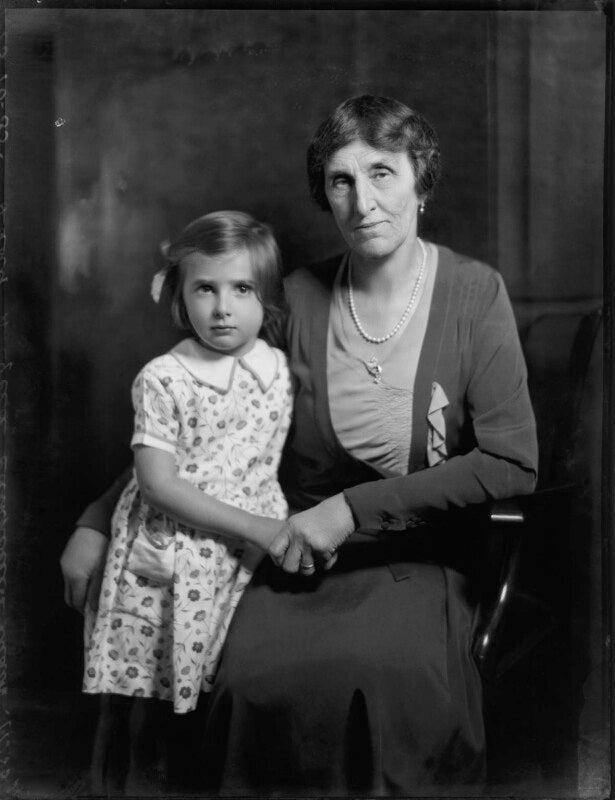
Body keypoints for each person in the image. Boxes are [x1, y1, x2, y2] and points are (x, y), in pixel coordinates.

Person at [61, 95, 537, 796]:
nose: (362, 202)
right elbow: (196, 423)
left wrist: (350, 509)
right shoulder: (297, 298)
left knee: (381, 682)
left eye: (382, 173)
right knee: (246, 683)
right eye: (341, 180)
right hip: (296, 557)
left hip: (417, 559)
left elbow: (511, 461)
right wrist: (98, 519)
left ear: (421, 179)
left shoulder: (474, 294)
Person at [78, 210, 293, 788]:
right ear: (180, 295)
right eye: (205, 289)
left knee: (209, 697)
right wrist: (258, 526)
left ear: (267, 296)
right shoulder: (165, 378)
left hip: (238, 557)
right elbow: (158, 484)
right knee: (142, 695)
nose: (223, 308)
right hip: (171, 554)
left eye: (242, 289)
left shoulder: (275, 368)